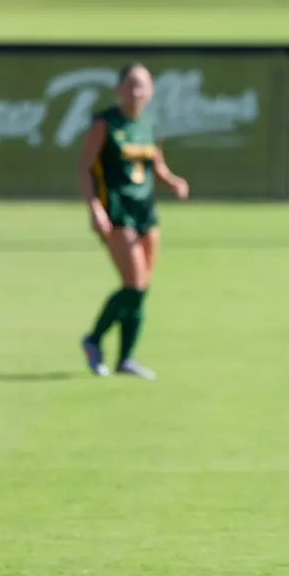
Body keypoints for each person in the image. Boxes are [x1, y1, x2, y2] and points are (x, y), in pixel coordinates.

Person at [77, 63, 190, 380]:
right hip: (116, 211)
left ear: (151, 90)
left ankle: (125, 358)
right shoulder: (104, 123)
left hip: (145, 211)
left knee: (141, 288)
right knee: (135, 283)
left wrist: (173, 181)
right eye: (131, 83)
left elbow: (156, 165)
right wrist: (94, 208)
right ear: (118, 89)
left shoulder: (150, 123)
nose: (137, 90)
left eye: (143, 84)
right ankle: (93, 339)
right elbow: (84, 167)